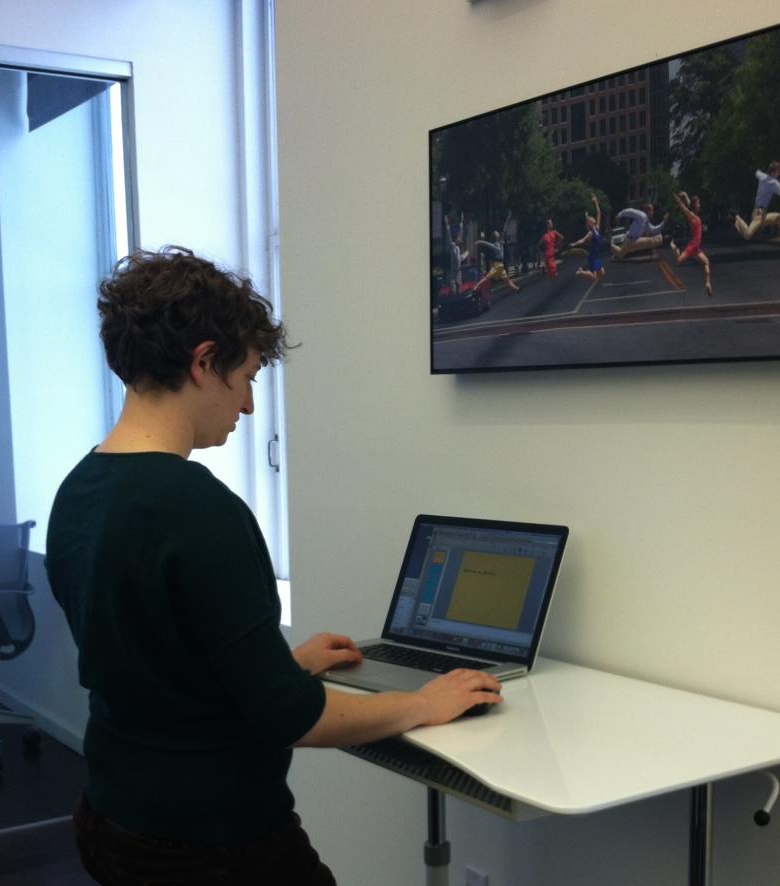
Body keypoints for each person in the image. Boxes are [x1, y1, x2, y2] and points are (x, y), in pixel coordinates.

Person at [44, 246, 501, 886]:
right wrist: (419, 703)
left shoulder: (77, 492)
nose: (250, 407)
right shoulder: (200, 510)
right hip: (212, 845)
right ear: (204, 363)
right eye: (248, 378)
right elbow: (295, 718)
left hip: (110, 819)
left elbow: (160, 673)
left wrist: (283, 663)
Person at [733, 161, 780, 243]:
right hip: (759, 214)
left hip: (759, 213)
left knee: (777, 217)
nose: (779, 173)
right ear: (773, 171)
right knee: (748, 234)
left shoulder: (762, 176)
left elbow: (756, 172)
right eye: (778, 171)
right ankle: (737, 217)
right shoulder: (774, 183)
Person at [669, 191, 713, 297]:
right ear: (695, 205)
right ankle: (674, 247)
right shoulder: (692, 216)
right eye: (698, 203)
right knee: (679, 261)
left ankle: (707, 283)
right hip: (693, 245)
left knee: (706, 262)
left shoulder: (695, 215)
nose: (700, 205)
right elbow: (684, 207)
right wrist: (677, 198)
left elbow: (689, 203)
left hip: (696, 247)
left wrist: (685, 194)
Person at [569, 193, 606, 282]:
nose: (594, 218)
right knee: (593, 278)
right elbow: (582, 240)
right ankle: (581, 272)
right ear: (590, 223)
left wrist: (595, 201)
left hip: (596, 256)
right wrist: (574, 244)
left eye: (593, 218)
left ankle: (583, 272)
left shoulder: (597, 228)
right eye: (591, 218)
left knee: (602, 273)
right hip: (592, 257)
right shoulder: (591, 233)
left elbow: (598, 213)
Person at [473, 229, 520, 293]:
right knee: (487, 277)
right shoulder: (494, 245)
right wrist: (479, 241)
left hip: (501, 266)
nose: (498, 233)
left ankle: (516, 289)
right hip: (497, 265)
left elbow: (503, 239)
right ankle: (476, 286)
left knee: (508, 281)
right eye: (497, 233)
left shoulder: (500, 243)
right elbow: (486, 243)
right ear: (496, 236)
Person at [444, 212, 468, 296]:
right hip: (453, 272)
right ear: (456, 239)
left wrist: (465, 254)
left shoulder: (458, 248)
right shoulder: (452, 246)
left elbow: (460, 259)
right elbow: (449, 236)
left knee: (459, 290)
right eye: (459, 238)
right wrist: (447, 224)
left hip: (458, 272)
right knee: (453, 291)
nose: (460, 238)